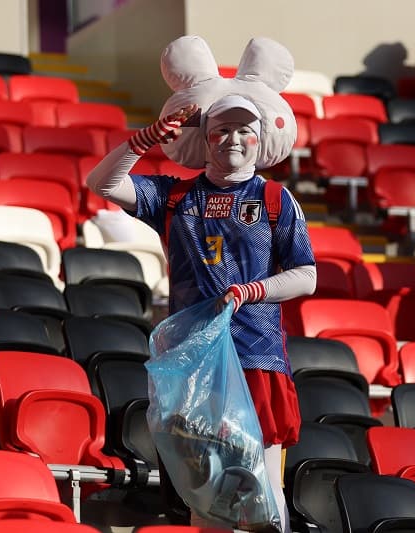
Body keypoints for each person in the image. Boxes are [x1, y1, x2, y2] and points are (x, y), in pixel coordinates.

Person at [86, 95, 316, 532]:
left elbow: (307, 276)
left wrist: (253, 290)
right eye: (222, 129)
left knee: (265, 488)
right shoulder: (175, 195)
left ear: (260, 138)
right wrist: (145, 139)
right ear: (205, 138)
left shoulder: (274, 198)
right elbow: (102, 182)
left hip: (255, 358)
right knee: (207, 492)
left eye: (244, 129)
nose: (233, 138)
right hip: (195, 364)